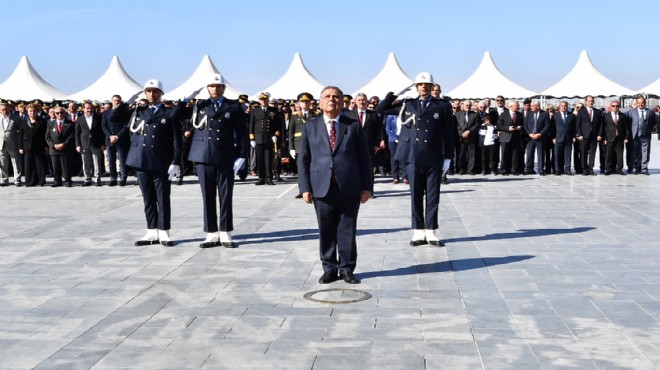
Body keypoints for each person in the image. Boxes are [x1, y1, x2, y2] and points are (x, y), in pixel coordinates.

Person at [298, 86, 373, 285]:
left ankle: (347, 268)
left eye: (336, 97)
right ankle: (329, 268)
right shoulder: (310, 126)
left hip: (349, 186)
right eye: (327, 97)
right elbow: (304, 159)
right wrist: (305, 187)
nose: (332, 100)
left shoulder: (353, 125)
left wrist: (367, 187)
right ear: (320, 102)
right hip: (322, 187)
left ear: (342, 102)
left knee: (347, 229)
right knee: (326, 230)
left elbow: (364, 158)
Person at [377, 72, 454, 246]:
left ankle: (431, 230)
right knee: (416, 195)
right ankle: (418, 231)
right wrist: (396, 93)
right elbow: (381, 109)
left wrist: (448, 157)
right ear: (416, 86)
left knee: (433, 196)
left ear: (432, 87)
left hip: (433, 156)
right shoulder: (407, 103)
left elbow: (449, 134)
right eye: (420, 84)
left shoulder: (442, 106)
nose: (423, 87)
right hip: (412, 156)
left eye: (427, 85)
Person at [187, 74, 247, 248]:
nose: (215, 89)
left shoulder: (233, 106)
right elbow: (177, 114)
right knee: (207, 196)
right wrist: (187, 98)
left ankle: (225, 232)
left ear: (224, 88)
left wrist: (242, 155)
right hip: (203, 156)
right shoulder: (200, 105)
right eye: (211, 86)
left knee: (226, 196)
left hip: (225, 156)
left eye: (218, 86)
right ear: (207, 88)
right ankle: (211, 233)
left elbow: (242, 132)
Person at [125, 79, 183, 247]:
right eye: (149, 91)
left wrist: (176, 161)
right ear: (145, 93)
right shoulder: (138, 111)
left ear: (161, 94)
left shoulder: (168, 113)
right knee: (148, 198)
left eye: (155, 91)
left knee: (163, 197)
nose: (152, 94)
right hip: (142, 160)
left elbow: (176, 140)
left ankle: (164, 232)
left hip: (161, 161)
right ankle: (151, 231)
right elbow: (117, 119)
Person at [249, 92, 283, 185]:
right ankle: (261, 178)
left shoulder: (273, 110)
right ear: (259, 101)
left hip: (269, 138)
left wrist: (276, 135)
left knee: (268, 159)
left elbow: (279, 126)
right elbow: (251, 125)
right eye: (261, 100)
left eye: (265, 99)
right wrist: (252, 139)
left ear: (268, 100)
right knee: (260, 159)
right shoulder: (255, 111)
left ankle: (269, 178)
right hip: (258, 138)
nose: (263, 101)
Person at [102, 95, 130, 186]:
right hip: (109, 140)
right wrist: (110, 136)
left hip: (121, 139)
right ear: (112, 101)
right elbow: (104, 125)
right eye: (115, 100)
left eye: (118, 101)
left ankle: (123, 178)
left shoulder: (125, 112)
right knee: (111, 160)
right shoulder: (106, 112)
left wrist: (117, 136)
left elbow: (126, 125)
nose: (116, 102)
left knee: (122, 160)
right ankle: (113, 178)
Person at [75, 102, 106, 186]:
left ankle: (97, 179)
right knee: (86, 162)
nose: (89, 110)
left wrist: (103, 144)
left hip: (96, 143)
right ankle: (87, 179)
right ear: (83, 109)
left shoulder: (98, 118)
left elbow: (102, 132)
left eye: (91, 108)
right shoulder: (80, 119)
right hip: (84, 143)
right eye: (87, 108)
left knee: (97, 162)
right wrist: (78, 145)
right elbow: (77, 133)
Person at [45, 106, 76, 187]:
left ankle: (67, 181)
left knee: (65, 166)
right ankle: (57, 181)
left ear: (65, 113)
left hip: (65, 148)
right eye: (57, 113)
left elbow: (72, 136)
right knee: (55, 166)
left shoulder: (70, 123)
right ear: (54, 114)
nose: (59, 114)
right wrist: (53, 145)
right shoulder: (50, 123)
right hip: (54, 149)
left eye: (61, 113)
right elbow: (47, 137)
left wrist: (64, 144)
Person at [18, 104, 48, 186]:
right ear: (27, 112)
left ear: (37, 111)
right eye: (30, 111)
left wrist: (46, 146)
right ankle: (29, 181)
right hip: (27, 146)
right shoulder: (24, 121)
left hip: (39, 145)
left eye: (34, 111)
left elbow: (45, 134)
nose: (32, 112)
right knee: (28, 164)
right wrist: (20, 147)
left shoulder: (42, 121)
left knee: (39, 164)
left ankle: (41, 181)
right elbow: (21, 134)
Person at [627, 96, 656, 175]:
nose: (640, 104)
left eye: (642, 103)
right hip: (635, 134)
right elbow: (628, 122)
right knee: (635, 151)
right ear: (636, 103)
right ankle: (636, 167)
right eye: (639, 103)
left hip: (646, 135)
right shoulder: (631, 112)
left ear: (645, 103)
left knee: (645, 151)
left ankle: (644, 167)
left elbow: (653, 122)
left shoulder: (650, 112)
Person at [576, 96, 602, 176]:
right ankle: (584, 170)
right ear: (586, 102)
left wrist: (599, 135)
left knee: (592, 153)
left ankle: (591, 169)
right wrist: (579, 134)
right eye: (589, 101)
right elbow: (578, 124)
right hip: (584, 136)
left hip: (594, 136)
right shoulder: (581, 111)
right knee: (583, 153)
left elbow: (601, 125)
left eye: (592, 101)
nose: (590, 103)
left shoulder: (598, 112)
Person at [601, 101, 628, 175]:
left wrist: (626, 138)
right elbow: (604, 128)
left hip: (620, 139)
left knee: (620, 155)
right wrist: (605, 138)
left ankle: (619, 169)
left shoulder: (623, 116)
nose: (615, 107)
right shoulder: (606, 116)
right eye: (613, 106)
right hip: (610, 138)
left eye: (617, 106)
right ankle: (608, 169)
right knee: (609, 155)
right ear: (611, 107)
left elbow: (626, 128)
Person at [497, 101, 524, 175]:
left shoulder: (519, 115)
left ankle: (514, 169)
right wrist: (508, 128)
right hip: (506, 137)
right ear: (511, 106)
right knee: (504, 154)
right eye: (517, 105)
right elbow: (499, 125)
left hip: (516, 137)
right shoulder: (503, 114)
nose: (518, 106)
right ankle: (503, 170)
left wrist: (520, 127)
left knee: (515, 154)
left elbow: (523, 124)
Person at [0, 102, 24, 186]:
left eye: (6, 109)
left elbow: (21, 131)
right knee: (3, 163)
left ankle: (17, 179)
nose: (5, 111)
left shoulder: (16, 118)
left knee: (16, 162)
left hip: (13, 143)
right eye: (3, 109)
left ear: (10, 109)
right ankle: (4, 179)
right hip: (1, 144)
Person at [524, 101, 550, 175]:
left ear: (537, 107)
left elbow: (547, 125)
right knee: (529, 154)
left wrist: (540, 134)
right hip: (530, 138)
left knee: (541, 154)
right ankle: (529, 169)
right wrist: (529, 134)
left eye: (532, 106)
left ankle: (541, 170)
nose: (530, 107)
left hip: (540, 138)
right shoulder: (529, 114)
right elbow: (525, 125)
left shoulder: (544, 114)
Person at [552, 101, 576, 175]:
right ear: (559, 107)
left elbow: (574, 127)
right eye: (562, 106)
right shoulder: (555, 115)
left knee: (568, 154)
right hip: (558, 137)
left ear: (567, 106)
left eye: (565, 105)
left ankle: (567, 169)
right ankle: (557, 170)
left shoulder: (572, 115)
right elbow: (552, 127)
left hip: (568, 138)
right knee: (557, 155)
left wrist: (574, 136)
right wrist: (553, 137)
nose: (563, 107)